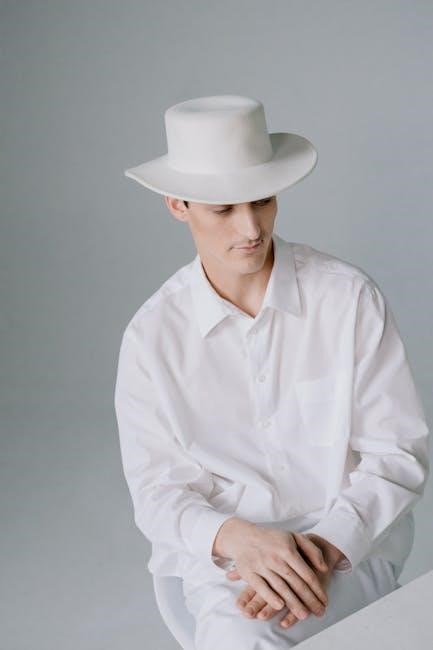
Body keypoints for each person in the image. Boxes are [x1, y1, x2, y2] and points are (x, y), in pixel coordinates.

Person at [114, 95, 430, 649]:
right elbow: (157, 492)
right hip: (229, 560)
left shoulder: (346, 298)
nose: (251, 228)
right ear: (178, 205)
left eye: (262, 201)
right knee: (242, 639)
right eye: (223, 210)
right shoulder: (152, 336)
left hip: (350, 545)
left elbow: (397, 452)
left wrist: (321, 548)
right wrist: (240, 540)